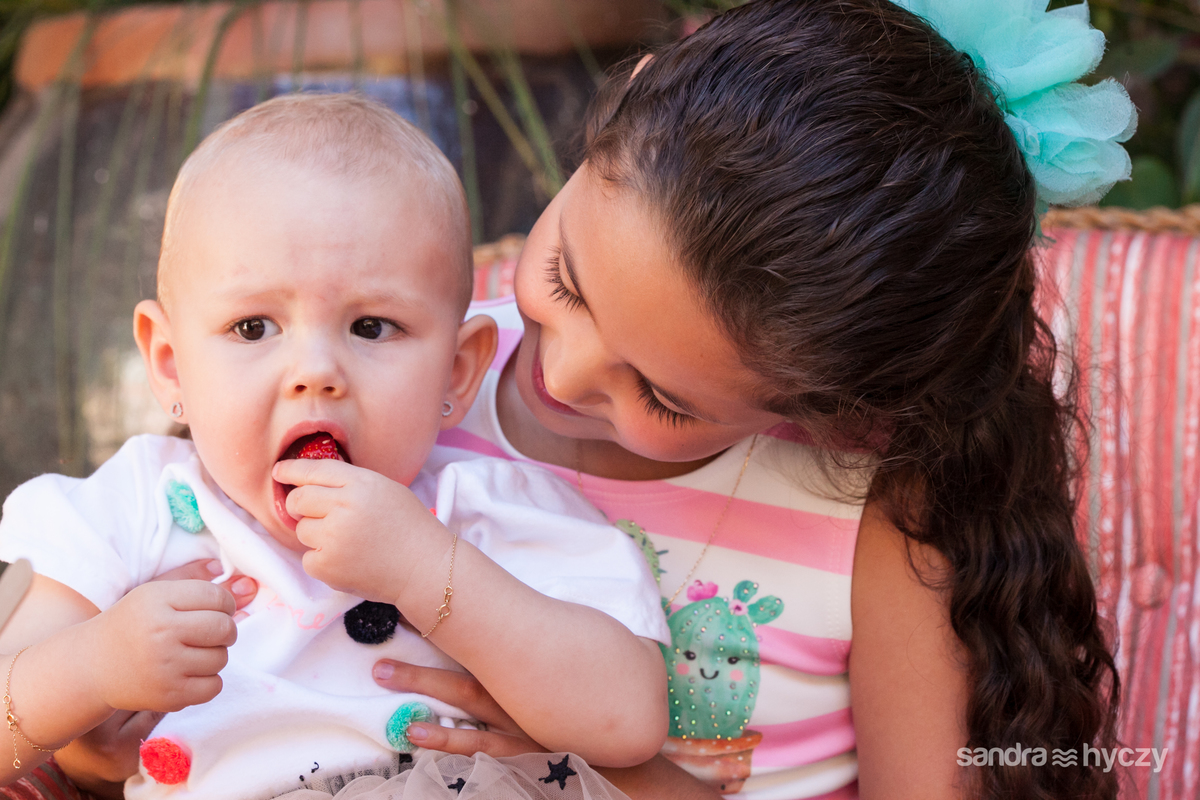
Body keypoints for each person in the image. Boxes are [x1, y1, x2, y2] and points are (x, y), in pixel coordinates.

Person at [364, 2, 1133, 800]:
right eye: (566, 282)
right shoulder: (398, 375)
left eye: (662, 397)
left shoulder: (877, 520)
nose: (560, 377)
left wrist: (600, 768)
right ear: (619, 107)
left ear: (828, 407)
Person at [0, 93, 671, 800]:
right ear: (169, 364)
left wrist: (426, 571)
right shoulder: (132, 507)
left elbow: (627, 722)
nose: (315, 371)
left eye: (371, 326)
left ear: (456, 371)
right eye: (253, 327)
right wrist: (92, 668)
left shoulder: (486, 510)